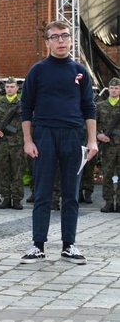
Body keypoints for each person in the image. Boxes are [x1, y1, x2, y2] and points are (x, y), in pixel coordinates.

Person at [20, 20, 98, 265]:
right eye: (55, 37)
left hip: (74, 136)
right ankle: (38, 246)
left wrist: (92, 140)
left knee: (70, 194)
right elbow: (26, 108)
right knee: (42, 193)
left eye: (64, 36)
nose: (61, 40)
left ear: (71, 39)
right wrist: (28, 140)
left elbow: (89, 108)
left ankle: (69, 245)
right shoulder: (37, 71)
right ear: (47, 42)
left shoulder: (80, 71)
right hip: (44, 135)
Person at [0, 77, 25, 210]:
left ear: (17, 88)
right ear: (5, 89)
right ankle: (6, 197)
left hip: (18, 143)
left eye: (12, 86)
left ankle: (16, 199)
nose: (9, 89)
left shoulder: (22, 103)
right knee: (2, 171)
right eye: (7, 87)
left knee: (17, 171)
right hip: (2, 143)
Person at [97, 77, 120, 213]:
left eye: (116, 88)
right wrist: (98, 135)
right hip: (108, 145)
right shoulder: (101, 106)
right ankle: (109, 202)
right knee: (107, 174)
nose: (114, 90)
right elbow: (93, 124)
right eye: (111, 88)